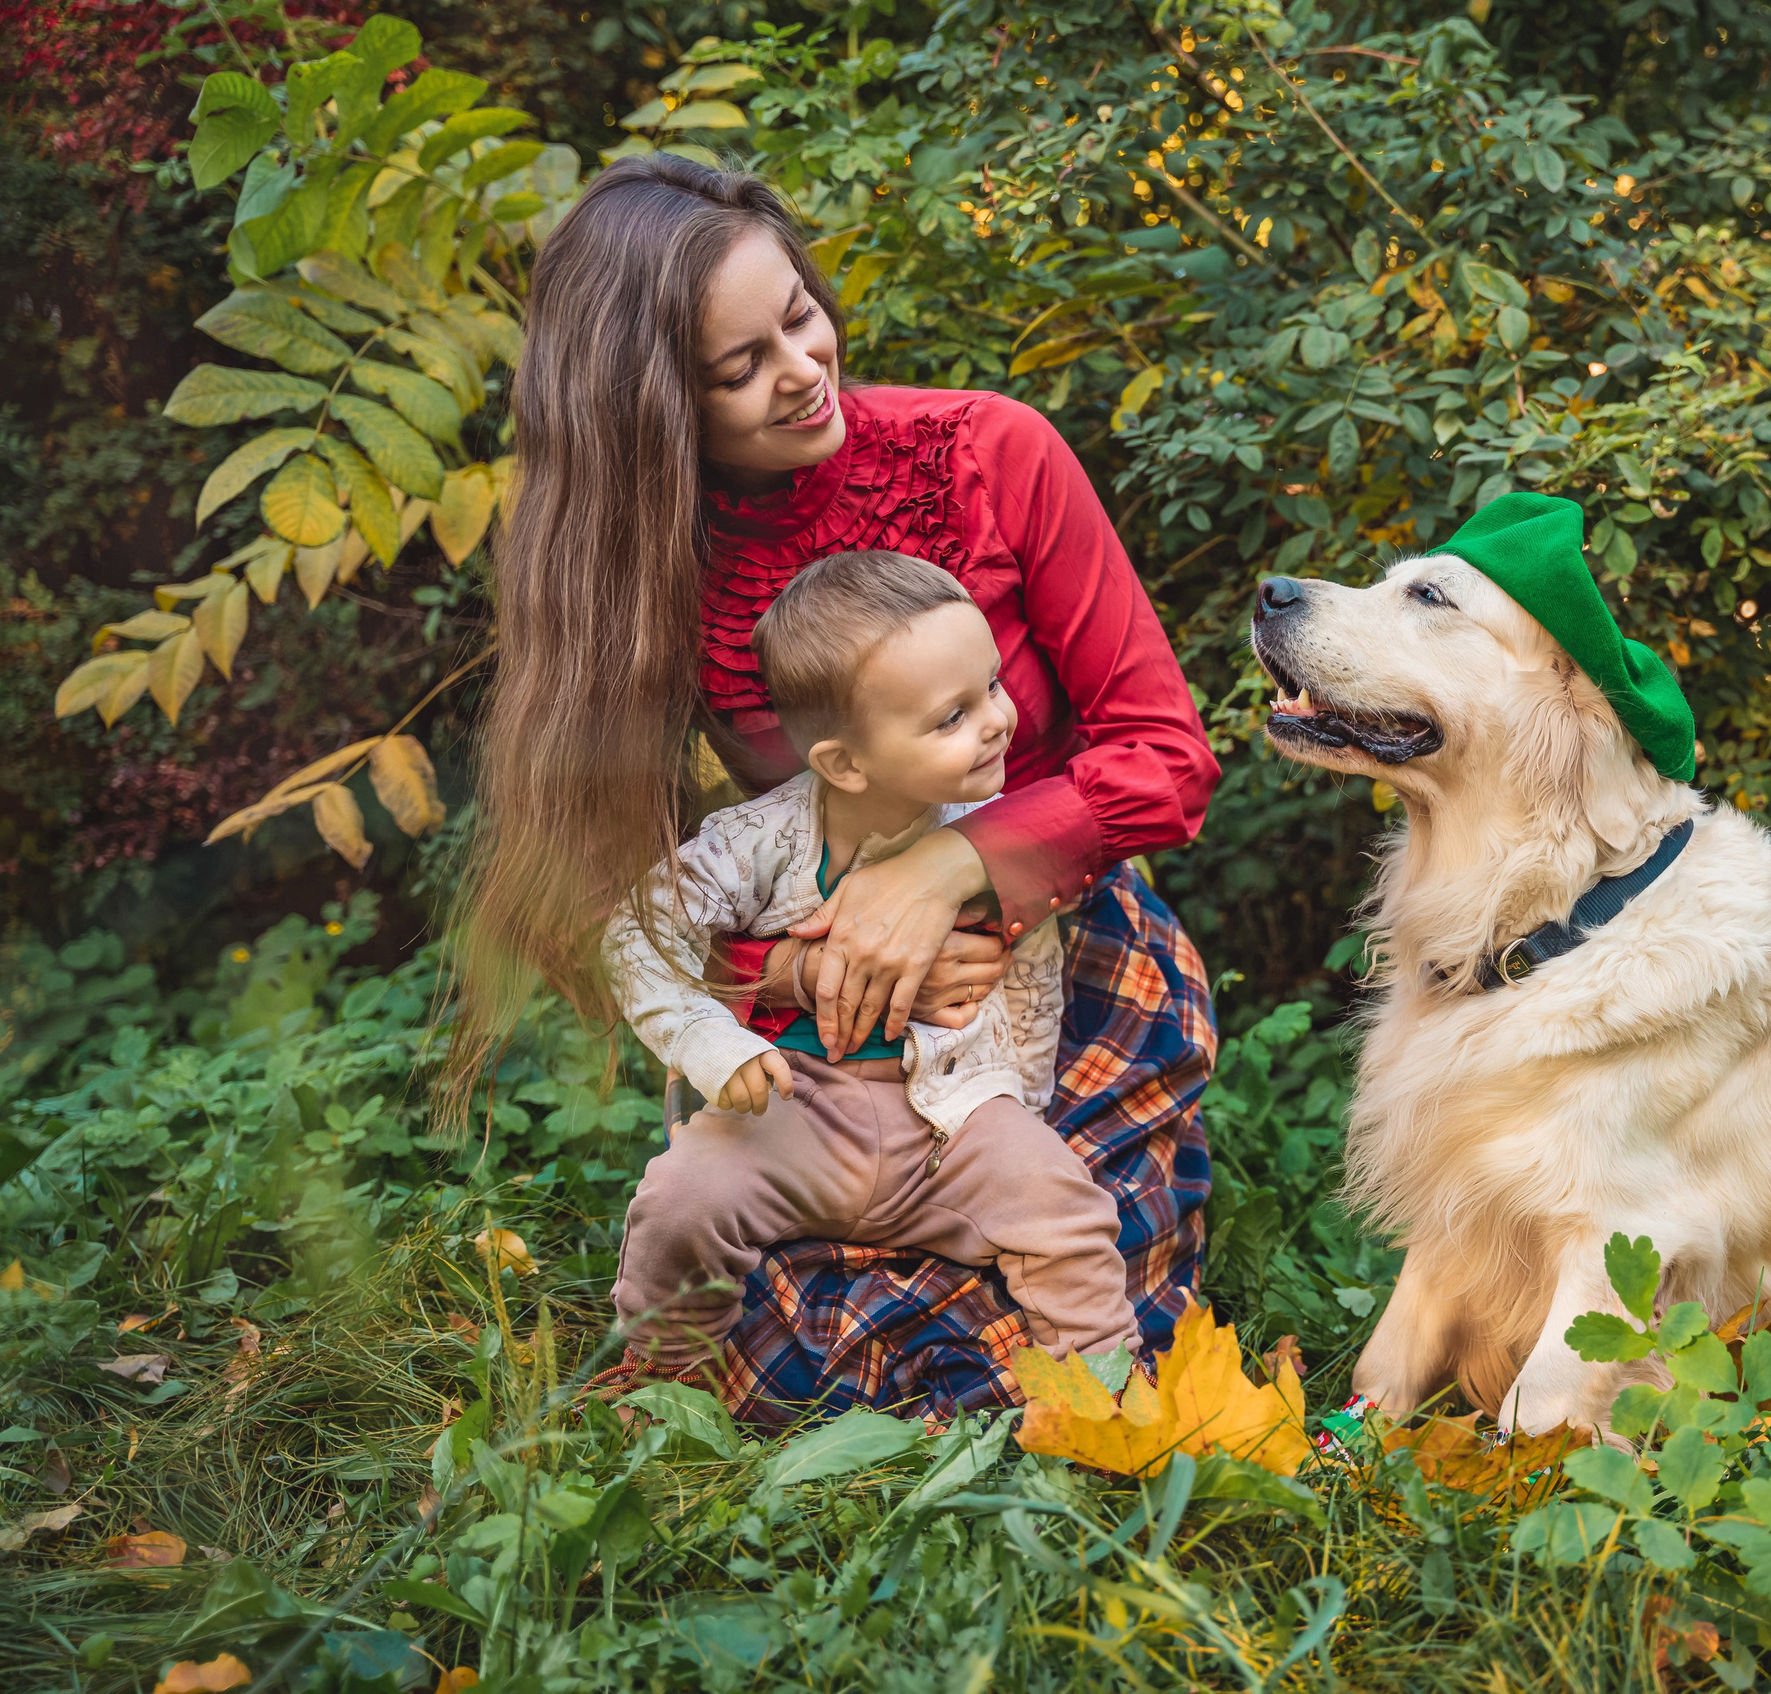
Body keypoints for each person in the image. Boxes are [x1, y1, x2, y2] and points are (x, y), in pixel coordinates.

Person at [453, 154, 1219, 1422]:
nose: (803, 371)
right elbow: (614, 905)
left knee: (1045, 1332)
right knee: (767, 1356)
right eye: (737, 367)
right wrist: (792, 977)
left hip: (1054, 971)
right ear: (651, 409)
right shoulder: (643, 566)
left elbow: (1164, 755)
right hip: (821, 1030)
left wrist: (950, 869)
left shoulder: (988, 453)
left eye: (800, 316)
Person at [602, 553, 1139, 1381]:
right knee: (680, 1202)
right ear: (844, 763)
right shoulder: (764, 840)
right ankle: (657, 1388)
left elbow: (1033, 975)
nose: (997, 720)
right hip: (797, 1105)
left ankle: (1106, 1397)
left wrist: (1021, 1108)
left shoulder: (996, 836)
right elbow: (638, 931)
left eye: (992, 687)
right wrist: (710, 1044)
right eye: (950, 716)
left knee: (1066, 1210)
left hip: (953, 1118)